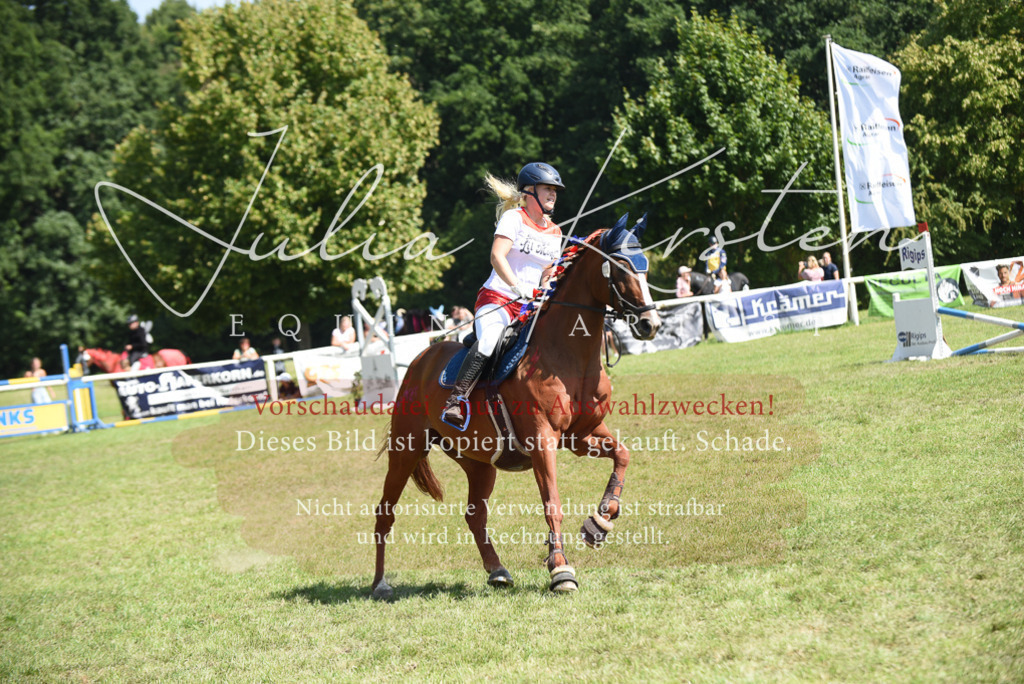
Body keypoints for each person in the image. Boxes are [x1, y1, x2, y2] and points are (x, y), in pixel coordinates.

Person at [441, 162, 564, 427]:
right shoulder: (514, 218)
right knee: (489, 340)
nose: (553, 194)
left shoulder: (556, 231)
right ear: (529, 191)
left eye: (555, 190)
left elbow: (548, 271)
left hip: (529, 306)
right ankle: (455, 401)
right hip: (498, 299)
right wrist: (516, 286)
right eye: (547, 189)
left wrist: (546, 286)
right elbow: (497, 256)